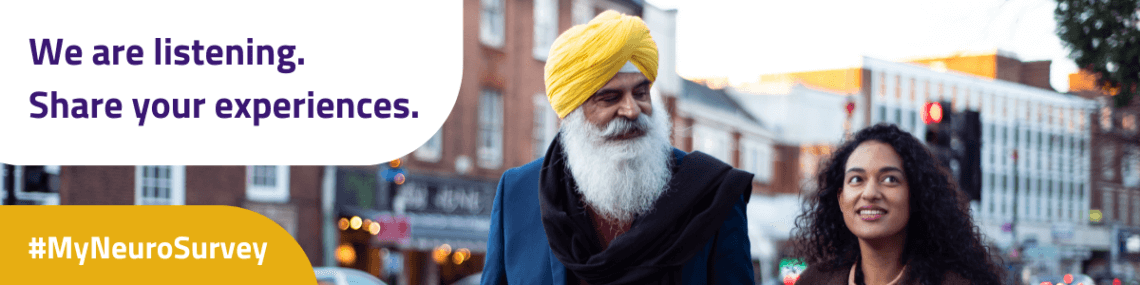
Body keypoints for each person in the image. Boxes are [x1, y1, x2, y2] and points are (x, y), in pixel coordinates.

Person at [480, 10, 755, 285]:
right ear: (572, 114)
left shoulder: (713, 194)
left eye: (641, 93)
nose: (632, 110)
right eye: (610, 98)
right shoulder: (516, 192)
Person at [792, 124, 1003, 285]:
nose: (870, 193)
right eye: (857, 179)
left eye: (890, 179)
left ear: (915, 195)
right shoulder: (815, 280)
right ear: (840, 198)